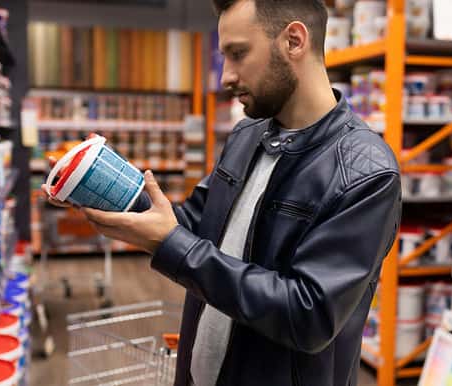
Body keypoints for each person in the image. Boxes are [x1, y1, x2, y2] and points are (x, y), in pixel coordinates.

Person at [45, 0, 401, 384]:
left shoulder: (366, 173)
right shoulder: (248, 135)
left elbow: (308, 316)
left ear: (294, 41)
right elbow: (198, 224)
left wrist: (172, 245)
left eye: (238, 54)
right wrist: (106, 187)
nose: (225, 76)